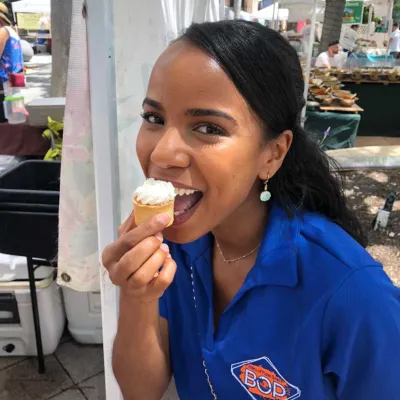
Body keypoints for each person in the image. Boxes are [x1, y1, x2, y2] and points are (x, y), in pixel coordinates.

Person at [103, 20, 400, 400]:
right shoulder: (175, 246)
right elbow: (140, 391)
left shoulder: (353, 292)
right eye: (154, 119)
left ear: (272, 154)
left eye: (208, 128)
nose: (161, 153)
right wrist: (137, 297)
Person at [0, 4, 24, 94]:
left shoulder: (3, 32)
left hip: (5, 80)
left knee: (7, 105)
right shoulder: (11, 31)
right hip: (15, 77)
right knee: (13, 105)